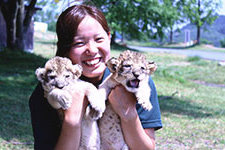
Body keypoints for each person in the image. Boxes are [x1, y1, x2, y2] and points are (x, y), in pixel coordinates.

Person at [29, 4, 162, 150]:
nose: (92, 50)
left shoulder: (136, 82)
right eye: (79, 43)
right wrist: (72, 121)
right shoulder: (48, 91)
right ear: (65, 48)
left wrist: (128, 115)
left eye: (99, 39)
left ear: (109, 37)